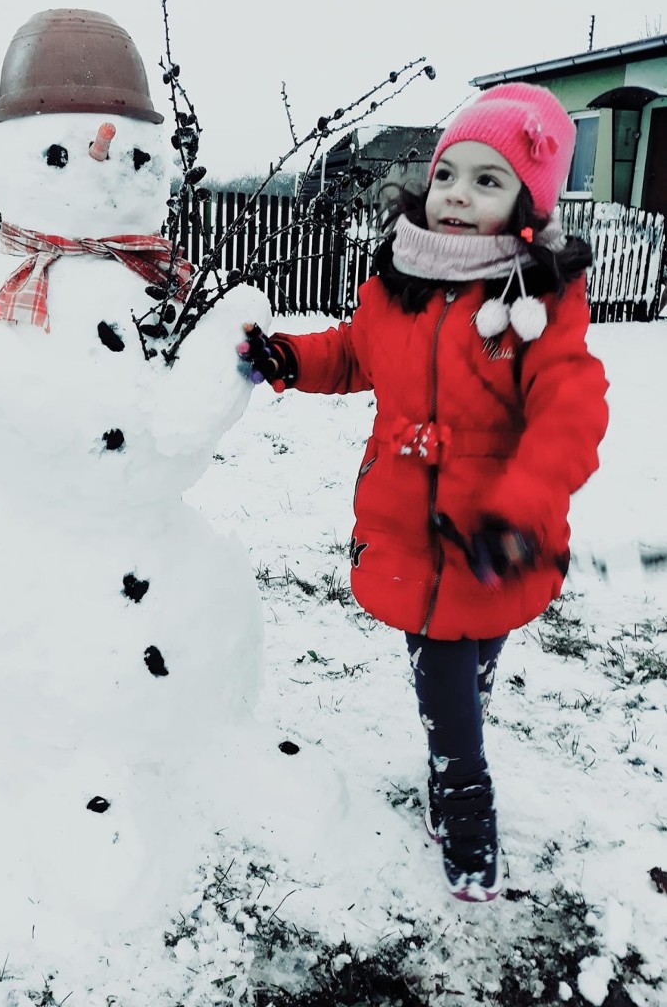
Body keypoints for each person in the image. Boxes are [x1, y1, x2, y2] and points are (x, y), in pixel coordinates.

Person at [237, 83, 609, 903]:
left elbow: (569, 412)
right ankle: (463, 790)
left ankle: (458, 729)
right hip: (409, 520)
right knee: (440, 657)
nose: (458, 196)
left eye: (488, 180)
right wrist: (295, 360)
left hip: (498, 525)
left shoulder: (538, 303)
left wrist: (526, 502)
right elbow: (355, 354)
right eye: (449, 175)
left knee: (470, 654)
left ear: (527, 202)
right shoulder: (399, 281)